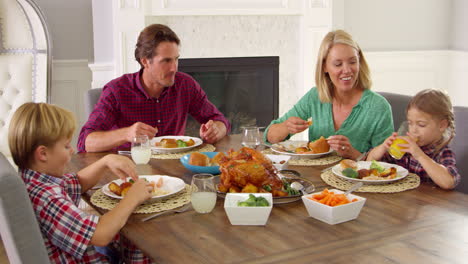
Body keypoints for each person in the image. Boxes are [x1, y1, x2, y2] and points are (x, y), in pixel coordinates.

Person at [8, 102, 155, 263]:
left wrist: (105, 161)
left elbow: (76, 182)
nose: (71, 150)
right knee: (140, 240)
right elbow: (101, 235)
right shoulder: (47, 199)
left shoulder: (34, 181)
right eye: (66, 146)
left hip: (83, 254)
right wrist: (132, 197)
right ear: (43, 154)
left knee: (127, 233)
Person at [78, 24, 230, 152]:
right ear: (145, 62)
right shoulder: (117, 91)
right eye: (166, 61)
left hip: (174, 170)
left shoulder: (185, 84)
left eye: (176, 59)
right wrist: (126, 134)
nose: (174, 68)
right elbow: (85, 142)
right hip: (130, 169)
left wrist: (216, 130)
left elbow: (220, 120)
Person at [265, 30, 393, 159]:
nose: (347, 70)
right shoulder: (314, 97)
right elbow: (269, 137)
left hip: (356, 178)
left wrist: (353, 154)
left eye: (353, 62)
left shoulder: (378, 107)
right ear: (324, 67)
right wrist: (287, 126)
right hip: (313, 177)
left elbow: (386, 163)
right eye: (338, 64)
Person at [366, 89, 460, 189]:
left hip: (429, 202)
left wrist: (419, 155)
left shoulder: (442, 152)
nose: (413, 130)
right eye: (410, 123)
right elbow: (369, 161)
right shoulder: (404, 148)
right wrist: (383, 147)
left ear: (442, 125)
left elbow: (449, 182)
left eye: (421, 125)